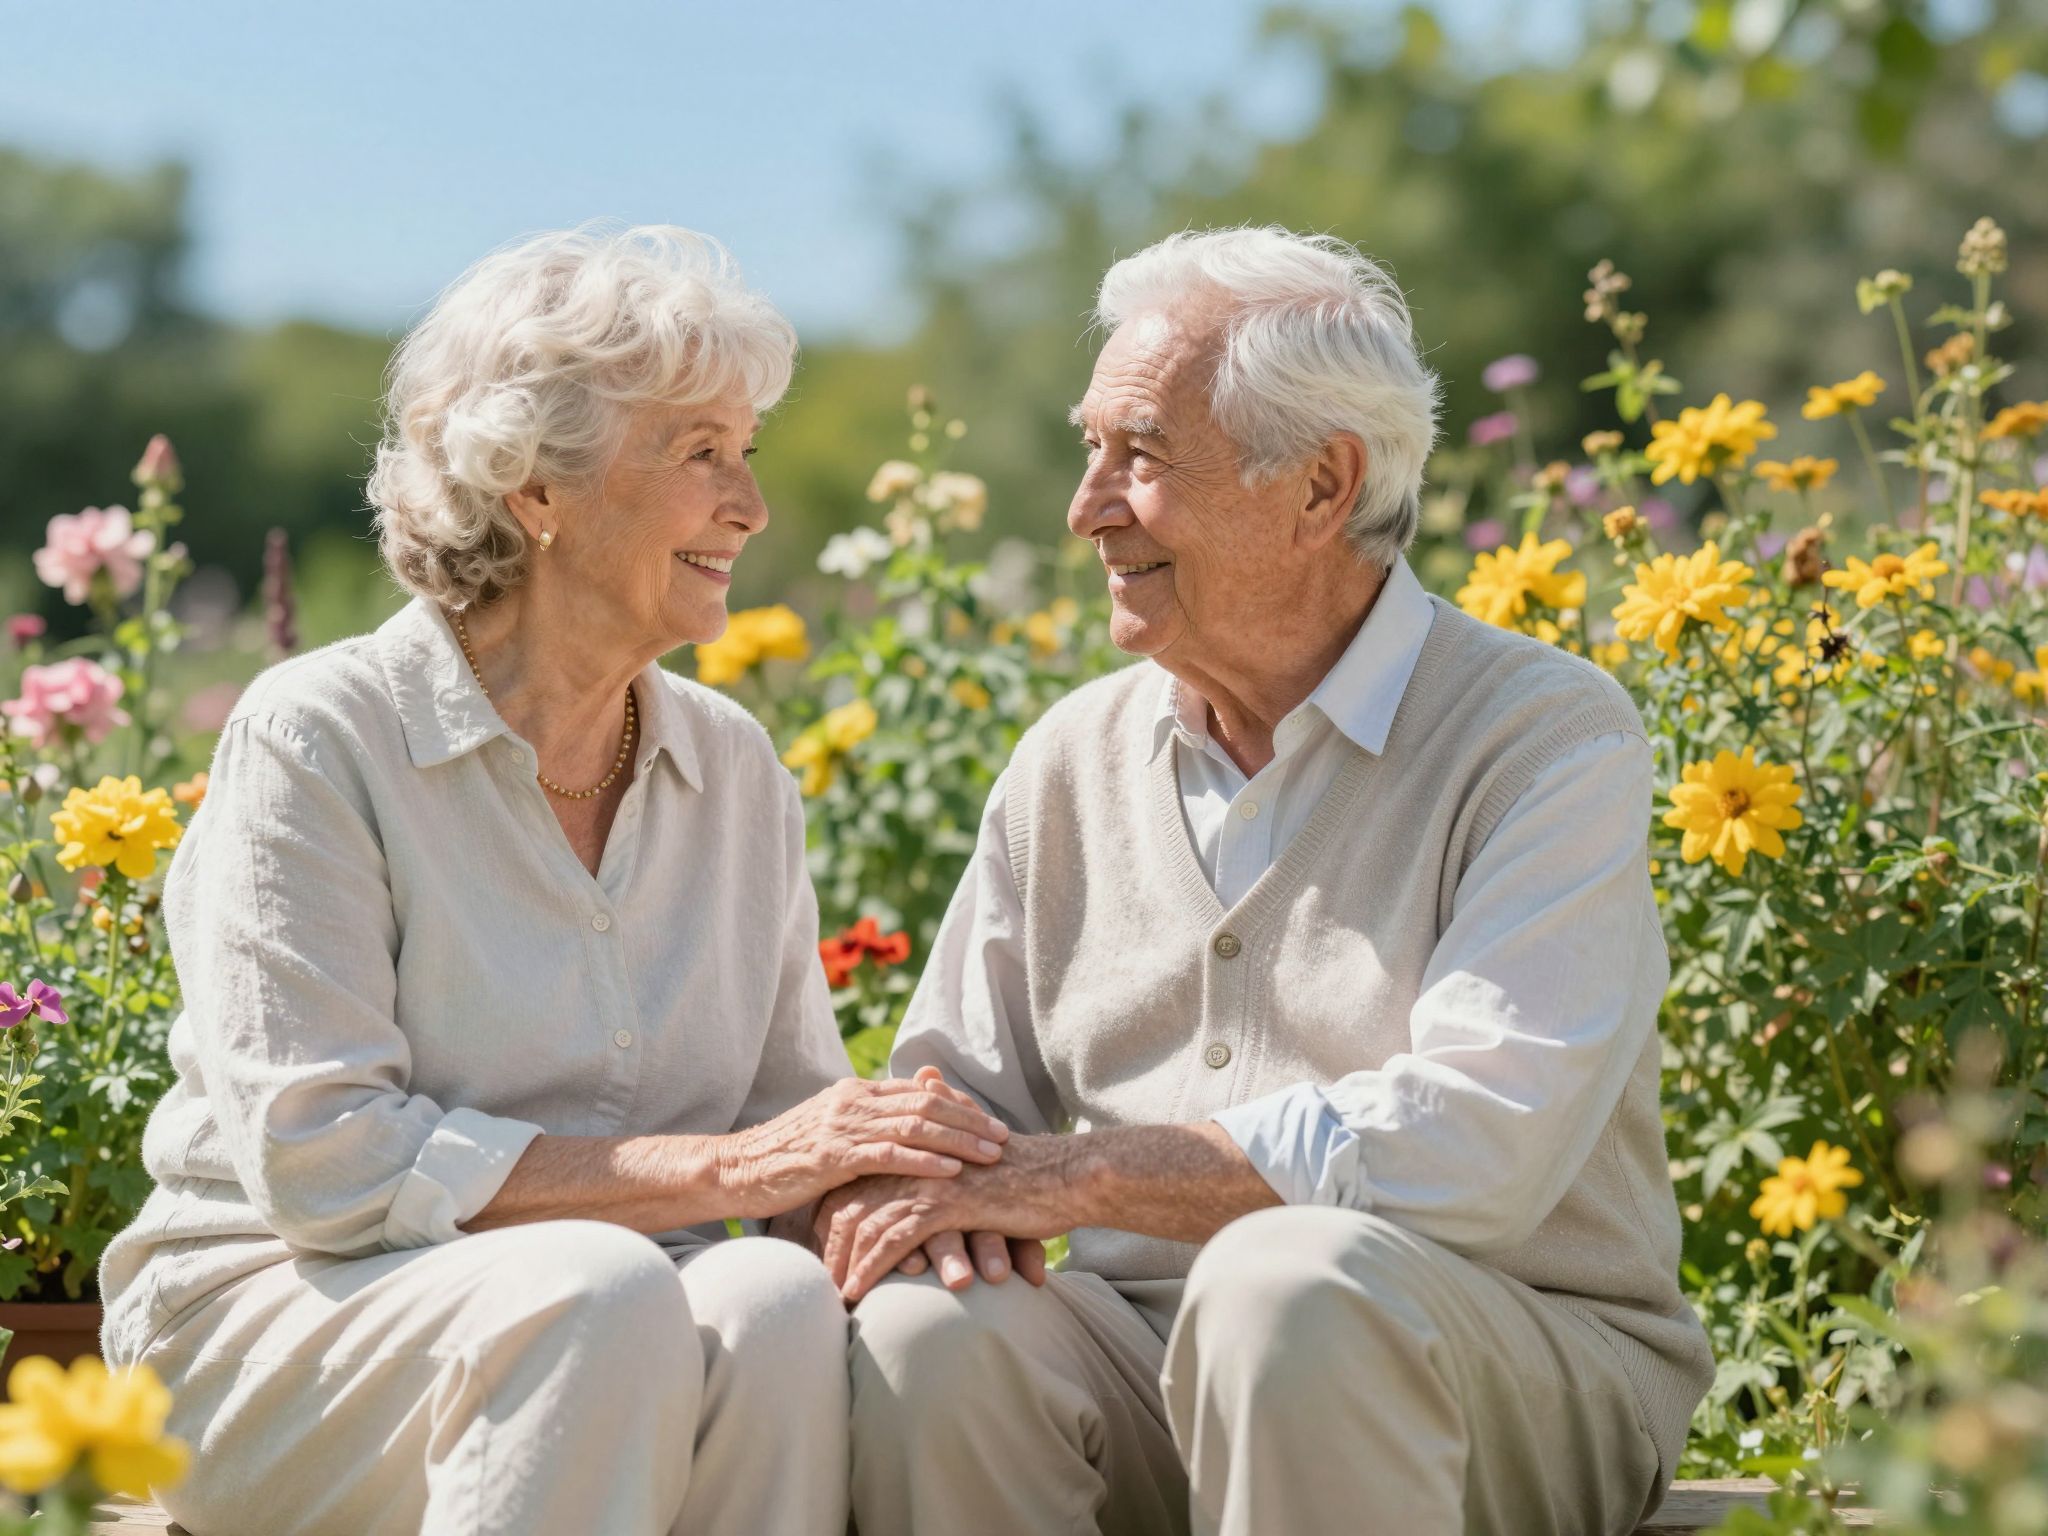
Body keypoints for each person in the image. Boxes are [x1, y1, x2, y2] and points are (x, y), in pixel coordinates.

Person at [97, 223, 1011, 1536]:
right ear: (536, 488)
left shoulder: (735, 769)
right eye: (700, 453)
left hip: (610, 1312)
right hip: (280, 1315)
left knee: (772, 1300)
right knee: (597, 1289)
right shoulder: (320, 735)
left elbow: (790, 1126)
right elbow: (323, 1159)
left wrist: (927, 1188)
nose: (749, 507)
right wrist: (718, 1173)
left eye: (746, 453)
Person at [819, 226, 1715, 1535]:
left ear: (1321, 486)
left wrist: (1080, 1176)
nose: (1086, 507)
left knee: (1284, 1287)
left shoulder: (1544, 736)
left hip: (1506, 1359)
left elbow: (1479, 1145)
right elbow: (945, 1112)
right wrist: (901, 1181)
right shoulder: (1070, 758)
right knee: (929, 1334)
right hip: (1143, 1353)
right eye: (1090, 450)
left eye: (1141, 457)